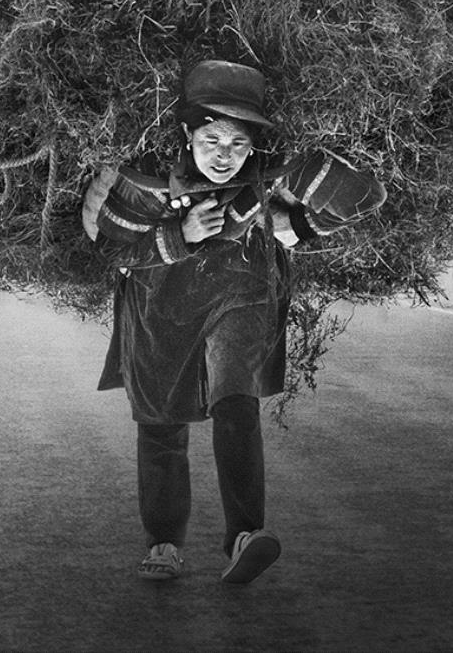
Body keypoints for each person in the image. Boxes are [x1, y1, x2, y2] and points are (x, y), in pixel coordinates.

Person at [82, 59, 385, 585]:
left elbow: (365, 194)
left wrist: (299, 222)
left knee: (236, 401)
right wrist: (181, 236)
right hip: (159, 305)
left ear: (255, 143)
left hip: (242, 293)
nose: (224, 154)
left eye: (238, 142)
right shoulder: (141, 182)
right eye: (212, 138)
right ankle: (163, 542)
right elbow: (108, 253)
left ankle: (245, 535)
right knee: (160, 421)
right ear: (186, 132)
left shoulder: (274, 180)